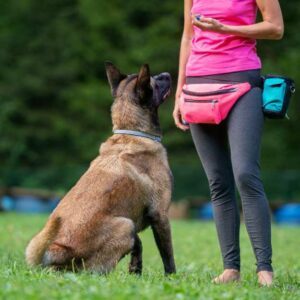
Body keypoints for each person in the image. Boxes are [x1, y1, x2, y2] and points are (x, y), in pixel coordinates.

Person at [173, 0, 284, 286]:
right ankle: (230, 268)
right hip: (198, 86)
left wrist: (227, 29)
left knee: (246, 174)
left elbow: (276, 28)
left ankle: (264, 269)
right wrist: (179, 92)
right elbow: (188, 36)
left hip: (242, 82)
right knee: (218, 182)